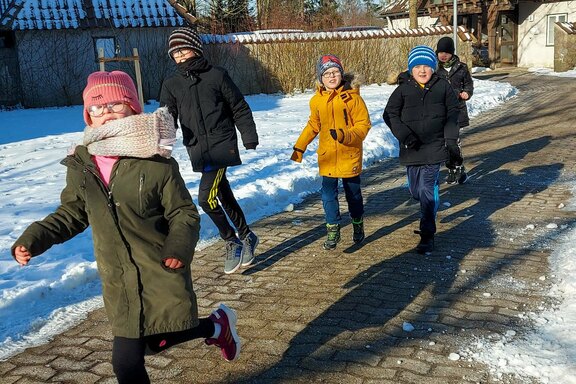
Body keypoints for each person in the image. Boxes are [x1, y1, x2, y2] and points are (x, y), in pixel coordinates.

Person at [11, 71, 241, 384]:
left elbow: (184, 213)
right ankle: (216, 326)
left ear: (132, 107)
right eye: (96, 107)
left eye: (115, 104)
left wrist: (178, 247)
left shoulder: (154, 160)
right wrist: (34, 239)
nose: (105, 113)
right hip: (119, 278)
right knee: (139, 351)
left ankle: (215, 327)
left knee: (132, 358)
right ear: (87, 115)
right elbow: (73, 212)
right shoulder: (82, 163)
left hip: (159, 267)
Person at [160, 26, 259, 274]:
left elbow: (238, 106)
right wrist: (160, 144)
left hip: (221, 145)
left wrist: (248, 136)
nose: (181, 56)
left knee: (206, 198)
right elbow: (166, 117)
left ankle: (231, 240)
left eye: (184, 50)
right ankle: (247, 235)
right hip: (198, 148)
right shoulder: (172, 83)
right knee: (222, 193)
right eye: (176, 53)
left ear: (195, 48)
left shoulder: (217, 75)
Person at [383, 46, 460, 253]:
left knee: (426, 189)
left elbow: (454, 114)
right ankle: (427, 201)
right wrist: (405, 136)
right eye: (418, 66)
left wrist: (451, 141)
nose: (423, 70)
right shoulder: (403, 89)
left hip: (435, 146)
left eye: (427, 66)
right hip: (412, 147)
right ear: (411, 69)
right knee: (416, 191)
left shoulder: (443, 87)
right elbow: (389, 114)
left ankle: (427, 234)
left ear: (433, 68)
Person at [291, 54, 371, 250]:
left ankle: (357, 223)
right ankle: (333, 229)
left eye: (335, 72)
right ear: (321, 78)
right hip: (327, 157)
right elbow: (313, 125)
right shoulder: (316, 101)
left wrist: (345, 135)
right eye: (327, 73)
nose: (332, 76)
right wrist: (300, 146)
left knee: (353, 194)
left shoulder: (353, 98)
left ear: (341, 74)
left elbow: (363, 126)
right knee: (328, 195)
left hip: (349, 154)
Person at [436, 36, 474, 184]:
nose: (443, 55)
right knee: (445, 143)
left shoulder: (461, 67)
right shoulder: (434, 69)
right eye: (440, 52)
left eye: (446, 52)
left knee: (453, 142)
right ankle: (452, 168)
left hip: (457, 111)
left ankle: (458, 167)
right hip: (440, 112)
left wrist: (466, 93)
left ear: (452, 53)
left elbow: (469, 84)